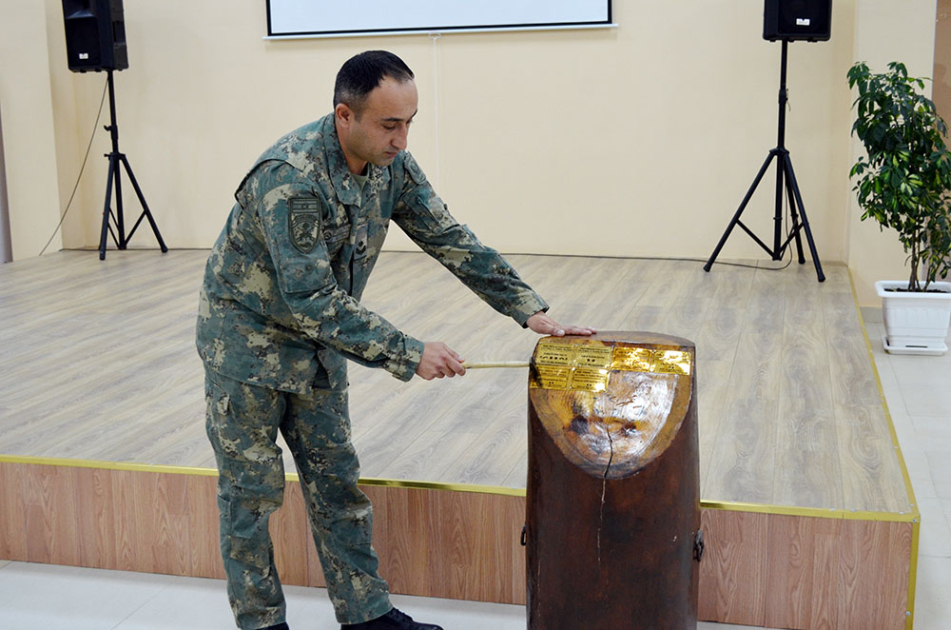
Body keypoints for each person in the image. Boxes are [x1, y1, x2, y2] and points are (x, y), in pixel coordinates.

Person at [196, 50, 593, 630]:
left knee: (337, 484)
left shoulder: (391, 166)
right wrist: (410, 353)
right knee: (250, 498)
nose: (402, 139)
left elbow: (449, 237)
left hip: (319, 346)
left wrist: (527, 309)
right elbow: (310, 298)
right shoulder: (292, 177)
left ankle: (367, 617)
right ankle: (261, 624)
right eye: (389, 124)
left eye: (410, 122)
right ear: (344, 116)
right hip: (246, 346)